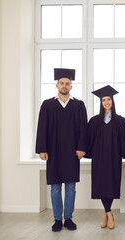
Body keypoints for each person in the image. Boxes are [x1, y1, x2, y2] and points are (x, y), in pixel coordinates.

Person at [36, 68, 87, 232]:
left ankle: (69, 218)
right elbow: (42, 128)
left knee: (71, 186)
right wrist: (42, 149)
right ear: (57, 85)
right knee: (55, 186)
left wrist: (81, 147)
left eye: (67, 84)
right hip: (53, 151)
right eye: (62, 83)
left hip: (72, 151)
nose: (64, 86)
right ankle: (57, 219)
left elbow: (83, 129)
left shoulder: (78, 105)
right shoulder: (48, 104)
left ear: (71, 86)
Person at [86, 85, 125, 229]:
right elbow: (87, 139)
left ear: (112, 101)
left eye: (108, 99)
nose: (106, 102)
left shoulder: (120, 121)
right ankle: (109, 214)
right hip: (99, 158)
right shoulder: (94, 121)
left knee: (111, 185)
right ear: (101, 102)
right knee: (101, 185)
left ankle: (106, 213)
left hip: (114, 158)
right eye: (104, 100)